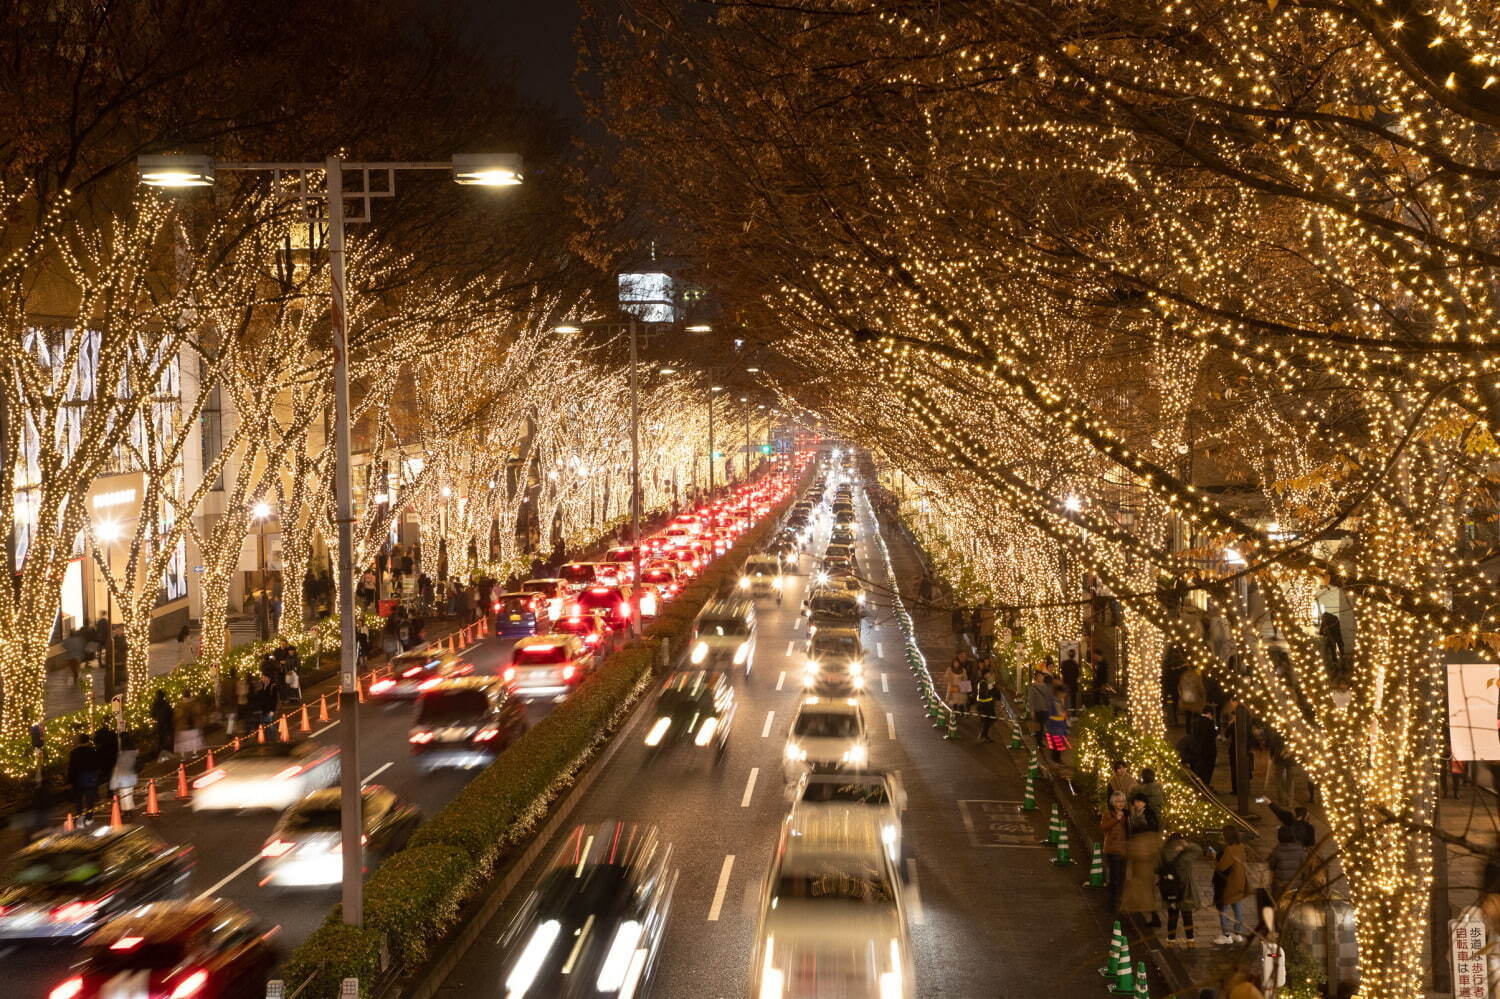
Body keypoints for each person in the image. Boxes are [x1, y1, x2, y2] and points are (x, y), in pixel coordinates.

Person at [1121, 792, 1163, 926]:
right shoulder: (1132, 815)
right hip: (1138, 857)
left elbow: (1153, 836)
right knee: (1138, 885)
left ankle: (1152, 916)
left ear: (1145, 803)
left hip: (1146, 858)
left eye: (1141, 802)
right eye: (1136, 802)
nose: (1138, 804)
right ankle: (1141, 912)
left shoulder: (1150, 816)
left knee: (1145, 888)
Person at [1160, 833, 1204, 948]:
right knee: (1187, 916)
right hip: (1185, 891)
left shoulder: (1163, 853)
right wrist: (1186, 845)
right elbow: (1198, 849)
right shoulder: (1185, 855)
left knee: (1172, 916)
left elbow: (1156, 868)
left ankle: (1170, 941)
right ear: (1180, 841)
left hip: (1170, 890)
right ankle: (1190, 941)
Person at [1214, 826, 1251, 944]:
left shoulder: (1230, 849)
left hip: (1231, 883)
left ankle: (1226, 935)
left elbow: (1221, 866)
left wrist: (1214, 858)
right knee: (1237, 909)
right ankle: (1238, 934)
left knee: (1223, 909)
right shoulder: (1241, 847)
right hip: (1240, 882)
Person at [1100, 791, 1128, 911]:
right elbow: (1104, 827)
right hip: (1112, 849)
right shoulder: (1108, 814)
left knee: (1121, 877)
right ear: (1113, 802)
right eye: (1118, 801)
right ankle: (1112, 903)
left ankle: (1118, 900)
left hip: (1124, 850)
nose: (1121, 803)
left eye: (1122, 801)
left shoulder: (1127, 815)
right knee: (1114, 878)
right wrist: (1116, 819)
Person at [66, 733, 102, 823]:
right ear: (88, 741)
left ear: (79, 741)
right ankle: (89, 818)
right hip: (90, 779)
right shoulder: (92, 751)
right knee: (89, 800)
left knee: (78, 800)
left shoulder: (74, 753)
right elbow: (97, 765)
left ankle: (80, 817)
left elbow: (72, 768)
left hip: (78, 781)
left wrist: (69, 781)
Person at [1267, 825, 1307, 901]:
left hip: (1281, 886)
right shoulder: (1300, 850)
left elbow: (1271, 865)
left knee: (1279, 903)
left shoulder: (1277, 850)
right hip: (1297, 885)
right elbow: (1305, 865)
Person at [1187, 707, 1219, 789]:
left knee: (1198, 770)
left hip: (1197, 750)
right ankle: (1205, 786)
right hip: (1209, 751)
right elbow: (1214, 734)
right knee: (1207, 770)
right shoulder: (1210, 722)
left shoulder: (1195, 721)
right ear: (1210, 713)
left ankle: (1198, 786)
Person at [110, 732, 139, 814]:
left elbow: (119, 766)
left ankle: (127, 810)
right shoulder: (133, 749)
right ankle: (129, 809)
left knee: (124, 794)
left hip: (123, 775)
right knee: (129, 793)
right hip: (131, 774)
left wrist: (114, 781)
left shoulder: (122, 752)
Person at [1043, 681, 1071, 763]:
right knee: (1057, 744)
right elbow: (1056, 713)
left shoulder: (1058, 700)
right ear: (1060, 693)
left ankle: (1056, 758)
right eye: (1064, 693)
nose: (1065, 695)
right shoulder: (1054, 701)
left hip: (1057, 725)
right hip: (1055, 725)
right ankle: (1056, 759)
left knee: (1057, 744)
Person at [1026, 670, 1053, 749]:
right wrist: (1032, 710)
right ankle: (1039, 742)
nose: (1040, 677)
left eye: (1041, 676)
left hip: (1046, 709)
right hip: (1037, 710)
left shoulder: (1047, 686)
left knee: (1046, 727)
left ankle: (1048, 743)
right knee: (1039, 728)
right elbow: (1031, 699)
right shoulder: (1033, 687)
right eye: (1039, 676)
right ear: (1036, 677)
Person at [974, 667, 998, 742]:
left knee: (989, 720)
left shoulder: (986, 681)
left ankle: (984, 735)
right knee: (987, 720)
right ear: (984, 675)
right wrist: (992, 688)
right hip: (984, 705)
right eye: (988, 674)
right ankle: (982, 735)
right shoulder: (982, 682)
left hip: (988, 704)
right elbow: (985, 692)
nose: (989, 675)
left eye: (990, 674)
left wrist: (994, 688)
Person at [150, 688, 175, 755]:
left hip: (160, 724)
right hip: (167, 724)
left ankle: (161, 753)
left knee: (161, 739)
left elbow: (152, 714)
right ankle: (168, 752)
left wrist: (157, 718)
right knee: (168, 738)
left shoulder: (155, 704)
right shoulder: (166, 704)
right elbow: (171, 712)